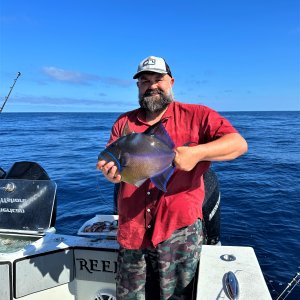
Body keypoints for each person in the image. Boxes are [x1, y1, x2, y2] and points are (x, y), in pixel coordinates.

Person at [97, 55, 248, 300]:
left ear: (172, 81)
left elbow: (238, 145)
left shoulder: (198, 115)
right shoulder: (123, 122)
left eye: (159, 79)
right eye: (145, 81)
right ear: (138, 86)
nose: (152, 85)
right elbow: (113, 161)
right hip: (133, 231)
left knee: (179, 296)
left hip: (180, 230)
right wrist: (112, 174)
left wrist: (197, 153)